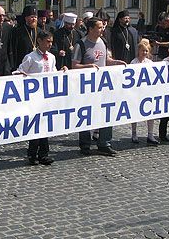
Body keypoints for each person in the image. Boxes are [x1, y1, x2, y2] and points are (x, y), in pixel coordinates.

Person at [72, 17, 126, 156]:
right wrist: (88, 66)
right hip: (86, 87)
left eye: (102, 27)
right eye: (100, 27)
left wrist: (116, 62)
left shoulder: (103, 42)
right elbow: (74, 65)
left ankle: (104, 143)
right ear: (90, 29)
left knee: (107, 113)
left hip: (103, 86)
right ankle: (85, 144)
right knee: (86, 115)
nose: (103, 29)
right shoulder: (81, 44)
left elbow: (106, 60)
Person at [15, 30, 67, 165]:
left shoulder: (51, 57)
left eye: (51, 42)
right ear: (39, 41)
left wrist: (62, 72)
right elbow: (20, 71)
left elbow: (53, 73)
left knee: (45, 125)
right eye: (47, 41)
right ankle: (32, 153)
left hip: (47, 96)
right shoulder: (31, 57)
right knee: (35, 125)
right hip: (34, 96)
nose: (50, 44)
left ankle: (44, 154)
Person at [129, 39, 158, 145]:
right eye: (143, 51)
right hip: (137, 91)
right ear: (138, 51)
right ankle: (134, 133)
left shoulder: (150, 63)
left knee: (150, 113)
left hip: (147, 91)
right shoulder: (134, 62)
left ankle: (150, 134)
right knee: (134, 113)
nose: (144, 53)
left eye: (146, 51)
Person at [12, 5, 40, 70]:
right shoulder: (18, 31)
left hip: (36, 63)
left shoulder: (40, 31)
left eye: (35, 17)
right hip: (22, 62)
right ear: (26, 18)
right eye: (32, 17)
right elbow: (14, 49)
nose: (34, 19)